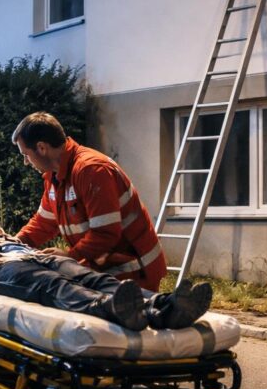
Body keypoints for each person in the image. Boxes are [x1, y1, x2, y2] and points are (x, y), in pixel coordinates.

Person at [0, 194, 212, 331]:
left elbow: (18, 235)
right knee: (54, 285)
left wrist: (6, 237)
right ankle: (112, 308)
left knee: (89, 276)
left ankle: (167, 305)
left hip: (22, 253)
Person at [11, 112, 167, 292]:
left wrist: (69, 256)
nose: (25, 162)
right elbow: (43, 223)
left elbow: (105, 233)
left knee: (141, 315)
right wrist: (13, 243)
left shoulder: (91, 170)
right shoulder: (55, 177)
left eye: (26, 154)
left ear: (42, 148)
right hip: (111, 271)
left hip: (136, 272)